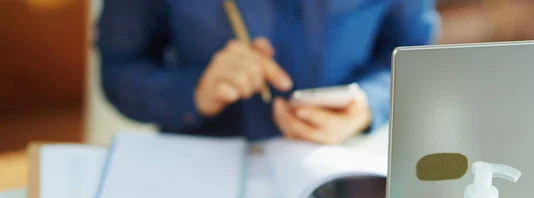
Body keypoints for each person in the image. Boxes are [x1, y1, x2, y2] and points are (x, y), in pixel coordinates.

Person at [97, 1, 438, 144]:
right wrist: (195, 91)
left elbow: (414, 57)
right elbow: (118, 69)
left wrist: (368, 105)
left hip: (337, 177)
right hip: (199, 179)